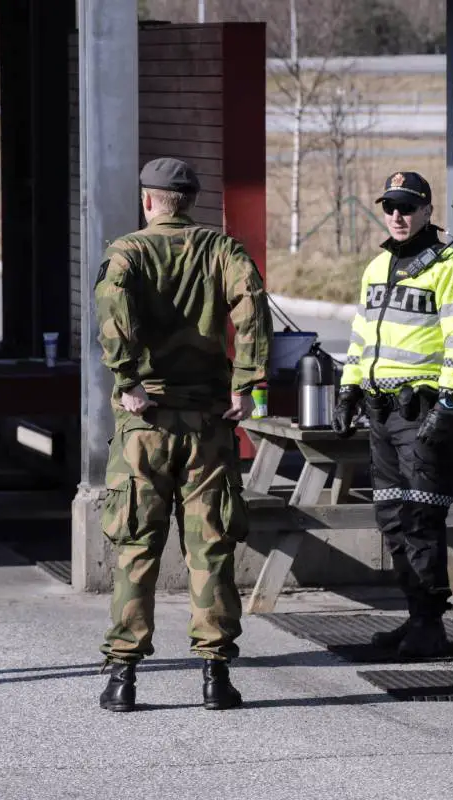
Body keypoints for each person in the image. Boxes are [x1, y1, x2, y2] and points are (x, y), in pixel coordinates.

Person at [95, 157, 272, 713]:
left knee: (136, 547)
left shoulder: (127, 252)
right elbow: (252, 307)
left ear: (148, 200)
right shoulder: (223, 250)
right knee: (210, 546)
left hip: (144, 425)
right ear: (191, 200)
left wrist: (127, 379)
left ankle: (123, 677)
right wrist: (248, 383)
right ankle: (216, 675)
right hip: (207, 425)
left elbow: (112, 311)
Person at [333, 171, 453, 657]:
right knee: (391, 516)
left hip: (422, 411)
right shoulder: (377, 266)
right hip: (380, 410)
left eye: (408, 207)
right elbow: (361, 334)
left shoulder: (450, 267)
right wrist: (349, 387)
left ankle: (430, 624)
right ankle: (416, 614)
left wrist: (448, 404)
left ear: (428, 211)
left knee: (421, 516)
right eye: (390, 207)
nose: (398, 216)